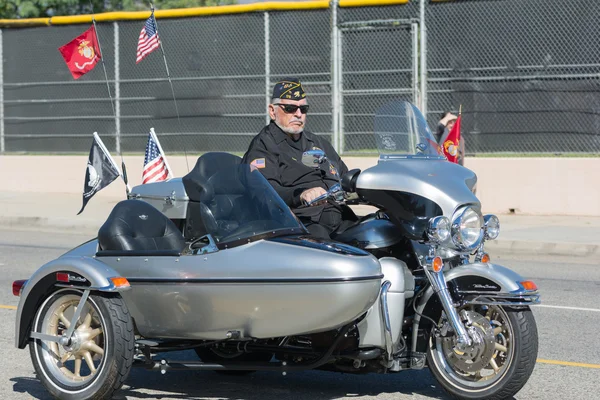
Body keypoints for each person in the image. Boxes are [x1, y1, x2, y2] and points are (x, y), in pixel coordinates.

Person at [242, 77, 357, 239]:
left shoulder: (316, 142)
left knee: (379, 231)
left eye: (303, 109)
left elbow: (345, 176)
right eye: (290, 108)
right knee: (323, 246)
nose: (298, 114)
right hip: (300, 224)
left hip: (339, 216)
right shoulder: (264, 146)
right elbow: (264, 191)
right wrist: (302, 194)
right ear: (272, 111)